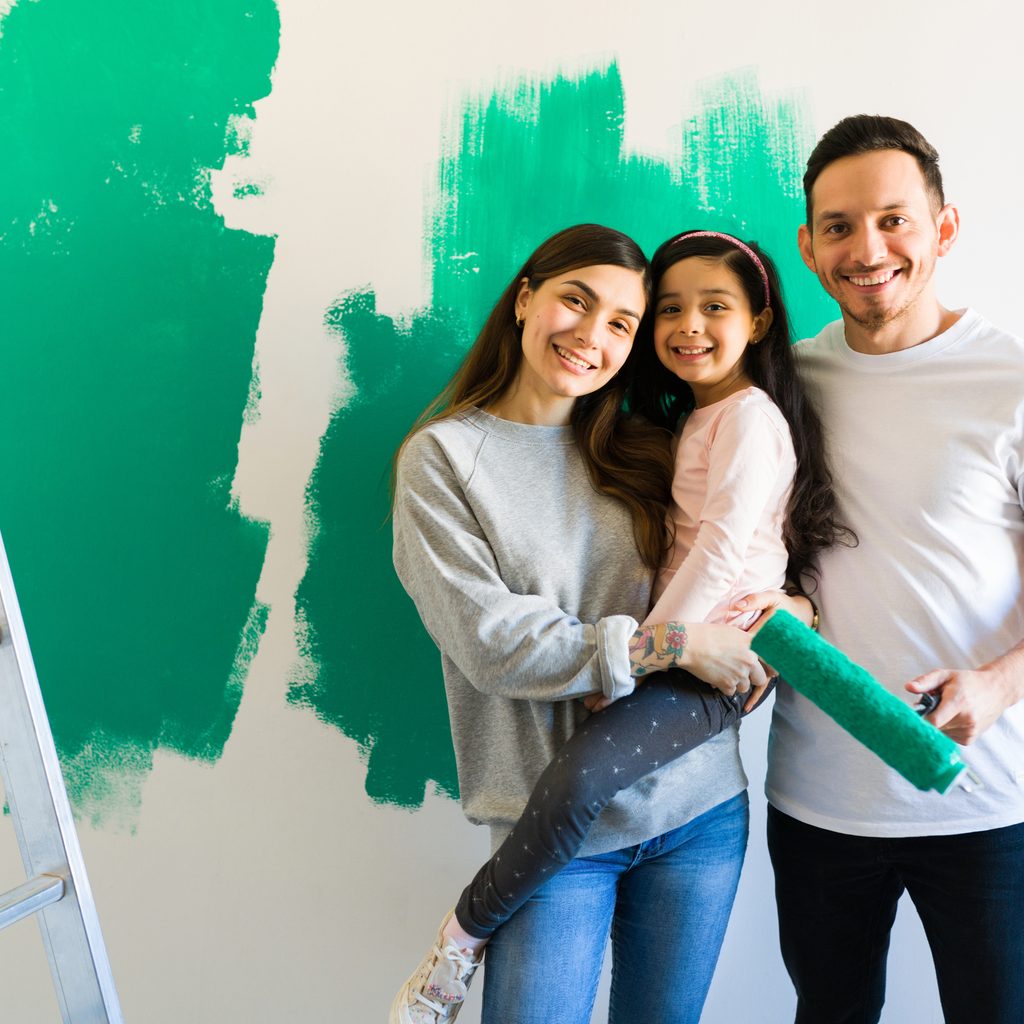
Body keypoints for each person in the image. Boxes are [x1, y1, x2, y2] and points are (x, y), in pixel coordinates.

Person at [391, 225, 840, 1024]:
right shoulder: (444, 460)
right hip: (554, 828)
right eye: (576, 301)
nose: (591, 336)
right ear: (526, 297)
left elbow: (745, 542)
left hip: (699, 811)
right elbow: (494, 642)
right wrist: (669, 645)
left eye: (622, 324)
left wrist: (794, 611)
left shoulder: (642, 445)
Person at [761, 115, 1024, 1024]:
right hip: (817, 803)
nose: (866, 248)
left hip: (986, 806)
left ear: (943, 228)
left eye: (893, 219)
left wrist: (996, 684)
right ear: (809, 245)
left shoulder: (1012, 380)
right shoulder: (784, 388)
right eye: (837, 226)